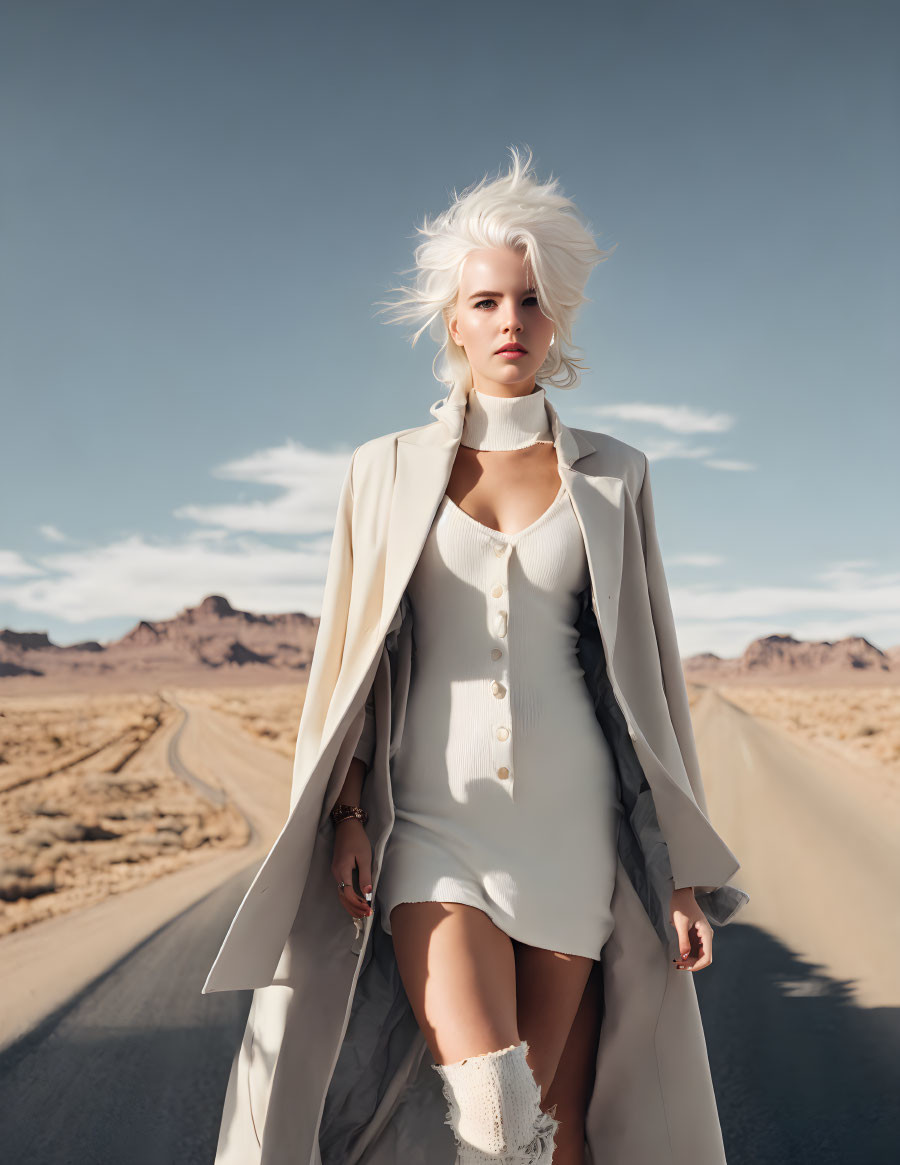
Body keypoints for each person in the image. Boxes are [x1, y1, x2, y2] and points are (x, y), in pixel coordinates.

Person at [326, 146, 726, 1165]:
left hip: (571, 835)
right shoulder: (383, 472)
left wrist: (677, 872)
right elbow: (348, 667)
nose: (512, 322)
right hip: (433, 828)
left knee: (550, 1136)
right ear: (452, 320)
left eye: (534, 303)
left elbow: (648, 682)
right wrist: (349, 808)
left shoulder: (615, 475)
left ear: (561, 321)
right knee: (495, 1114)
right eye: (489, 302)